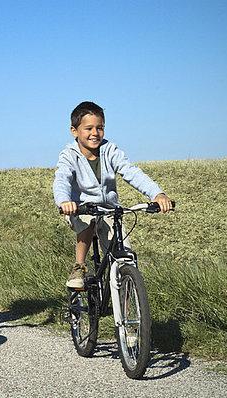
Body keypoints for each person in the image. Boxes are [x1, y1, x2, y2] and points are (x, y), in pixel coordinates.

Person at [53, 101, 172, 289]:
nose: (95, 133)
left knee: (125, 256)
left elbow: (131, 172)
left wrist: (157, 193)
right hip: (81, 209)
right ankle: (80, 266)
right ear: (74, 131)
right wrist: (65, 201)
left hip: (109, 210)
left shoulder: (110, 151)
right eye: (88, 128)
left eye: (100, 128)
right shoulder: (69, 155)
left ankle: (127, 298)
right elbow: (62, 179)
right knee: (88, 221)